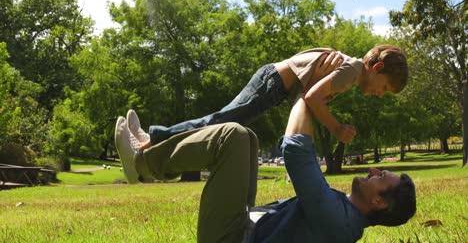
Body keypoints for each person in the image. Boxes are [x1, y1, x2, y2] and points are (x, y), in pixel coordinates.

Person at [114, 96, 416, 242]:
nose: (375, 171)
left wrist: (308, 95)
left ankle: (142, 165)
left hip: (232, 239)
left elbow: (296, 153)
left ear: (378, 202)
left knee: (231, 137)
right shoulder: (343, 215)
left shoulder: (338, 221)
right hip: (246, 226)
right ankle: (149, 147)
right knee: (247, 139)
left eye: (381, 177)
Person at [136, 45, 408, 153]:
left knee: (221, 124)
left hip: (274, 85)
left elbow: (307, 89)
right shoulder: (351, 72)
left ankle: (150, 141)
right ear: (377, 69)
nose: (378, 94)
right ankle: (151, 140)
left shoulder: (349, 69)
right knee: (219, 122)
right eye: (383, 88)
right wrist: (336, 128)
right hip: (272, 83)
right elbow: (313, 98)